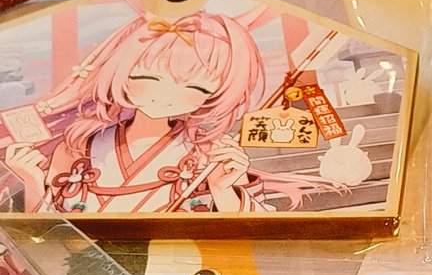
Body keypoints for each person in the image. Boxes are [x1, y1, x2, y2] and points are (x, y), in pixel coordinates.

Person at [3, 12, 324, 214]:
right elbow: (45, 237)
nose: (167, 97)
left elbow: (253, 232)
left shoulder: (210, 154)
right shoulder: (78, 146)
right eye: (148, 78)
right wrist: (33, 182)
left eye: (195, 88)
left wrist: (224, 189)